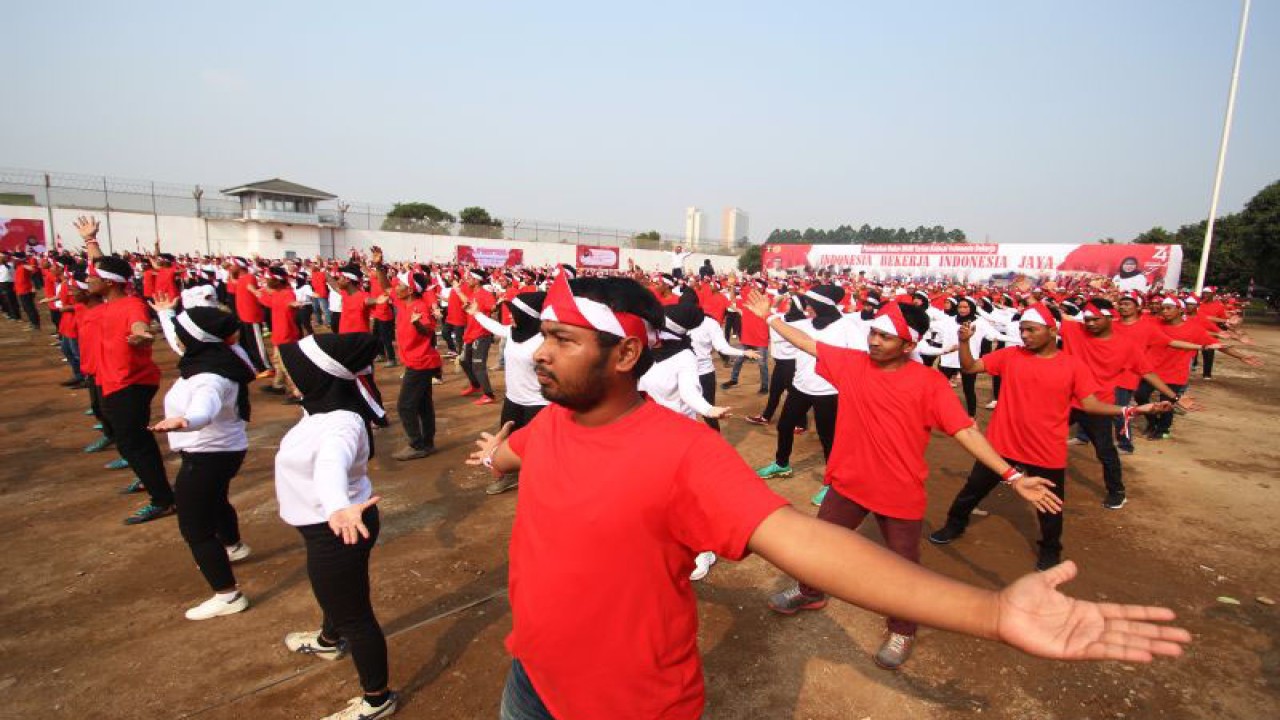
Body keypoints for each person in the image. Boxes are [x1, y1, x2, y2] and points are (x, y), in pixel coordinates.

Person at [466, 274, 1189, 720]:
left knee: (856, 550)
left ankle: (902, 628)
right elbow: (517, 452)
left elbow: (806, 539)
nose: (537, 352)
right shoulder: (552, 424)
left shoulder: (682, 453)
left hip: (625, 706)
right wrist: (495, 456)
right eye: (541, 336)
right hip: (528, 679)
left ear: (625, 354)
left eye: (560, 338)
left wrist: (991, 610)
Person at [745, 294, 1064, 669]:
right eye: (874, 333)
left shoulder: (929, 383)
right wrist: (770, 319)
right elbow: (809, 343)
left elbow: (966, 432)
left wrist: (1013, 477)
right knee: (819, 547)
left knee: (903, 568)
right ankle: (810, 591)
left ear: (909, 344)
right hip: (847, 483)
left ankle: (903, 628)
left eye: (886, 337)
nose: (874, 342)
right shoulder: (852, 364)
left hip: (899, 491)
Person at [928, 303, 1172, 569]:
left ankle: (1051, 549)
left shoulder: (1073, 366)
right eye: (1022, 330)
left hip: (1045, 449)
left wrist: (1133, 409)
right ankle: (954, 525)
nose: (1025, 336)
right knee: (971, 491)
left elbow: (1090, 405)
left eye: (1032, 330)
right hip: (1001, 443)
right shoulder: (1010, 356)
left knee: (1050, 506)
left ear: (1052, 330)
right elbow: (971, 367)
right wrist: (965, 342)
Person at [276, 333, 398, 720]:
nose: (289, 377)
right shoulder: (322, 409)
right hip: (333, 522)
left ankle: (377, 699)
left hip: (340, 526)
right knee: (336, 597)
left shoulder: (341, 423)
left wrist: (336, 506)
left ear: (322, 377)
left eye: (296, 372)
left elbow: (332, 464)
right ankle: (329, 640)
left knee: (355, 616)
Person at [147, 306, 256, 620]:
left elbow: (204, 410)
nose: (176, 341)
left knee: (195, 528)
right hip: (224, 449)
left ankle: (228, 595)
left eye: (179, 335)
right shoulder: (216, 356)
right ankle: (233, 545)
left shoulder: (208, 376)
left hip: (208, 454)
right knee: (216, 499)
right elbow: (183, 339)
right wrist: (166, 313)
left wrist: (185, 421)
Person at [76, 216, 175, 524]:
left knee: (134, 442)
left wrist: (141, 334)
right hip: (108, 378)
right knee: (125, 437)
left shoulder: (130, 305)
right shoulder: (105, 299)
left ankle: (162, 498)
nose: (87, 280)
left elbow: (139, 324)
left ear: (108, 282)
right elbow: (102, 268)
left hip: (129, 381)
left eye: (93, 277)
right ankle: (148, 479)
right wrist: (90, 241)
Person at [1134, 296, 1261, 439]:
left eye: (1169, 308)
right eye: (1163, 308)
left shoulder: (1194, 329)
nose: (1164, 311)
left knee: (1167, 402)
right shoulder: (1154, 322)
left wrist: (1241, 356)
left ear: (1180, 310)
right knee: (1140, 395)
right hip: (1152, 370)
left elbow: (1216, 345)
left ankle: (1163, 429)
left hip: (1175, 372)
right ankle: (1152, 422)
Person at [466, 289, 548, 494]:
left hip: (538, 404)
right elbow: (496, 327)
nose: (510, 315)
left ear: (528, 315)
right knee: (506, 442)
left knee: (536, 449)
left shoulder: (544, 340)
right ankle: (508, 476)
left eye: (514, 312)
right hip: (513, 400)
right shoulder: (512, 332)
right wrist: (477, 314)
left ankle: (536, 483)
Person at [383, 269, 444, 462]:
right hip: (418, 361)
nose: (396, 287)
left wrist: (417, 324)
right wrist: (378, 267)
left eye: (400, 285)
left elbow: (427, 331)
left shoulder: (420, 307)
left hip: (420, 363)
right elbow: (386, 288)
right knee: (423, 404)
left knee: (405, 406)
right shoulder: (403, 301)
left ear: (410, 290)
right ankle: (428, 442)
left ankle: (417, 444)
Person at [453, 268, 498, 405]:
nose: (467, 280)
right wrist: (460, 293)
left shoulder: (485, 294)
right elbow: (470, 304)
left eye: (469, 278)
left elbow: (493, 307)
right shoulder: (473, 293)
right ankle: (476, 385)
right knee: (464, 361)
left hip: (481, 335)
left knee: (478, 365)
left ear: (477, 280)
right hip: (470, 334)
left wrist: (494, 305)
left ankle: (489, 394)